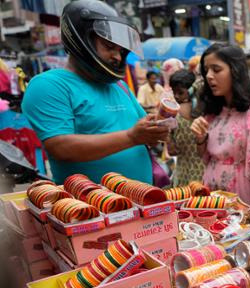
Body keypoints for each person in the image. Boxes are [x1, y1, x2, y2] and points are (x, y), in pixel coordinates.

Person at [21, 0, 168, 185]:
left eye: (121, 51)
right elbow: (61, 147)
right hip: (88, 209)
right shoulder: (49, 85)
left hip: (144, 203)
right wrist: (132, 137)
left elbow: (142, 130)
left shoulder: (119, 86)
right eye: (109, 47)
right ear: (82, 40)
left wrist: (157, 129)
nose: (117, 56)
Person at [190, 43, 250, 205]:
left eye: (216, 70)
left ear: (235, 71)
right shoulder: (212, 112)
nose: (209, 76)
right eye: (206, 70)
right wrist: (200, 138)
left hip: (239, 192)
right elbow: (205, 157)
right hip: (211, 188)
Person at [166, 69, 204, 186]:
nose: (176, 96)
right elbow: (171, 149)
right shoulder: (174, 113)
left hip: (190, 172)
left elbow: (171, 150)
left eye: (180, 93)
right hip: (189, 171)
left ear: (192, 91)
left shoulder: (175, 113)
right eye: (174, 92)